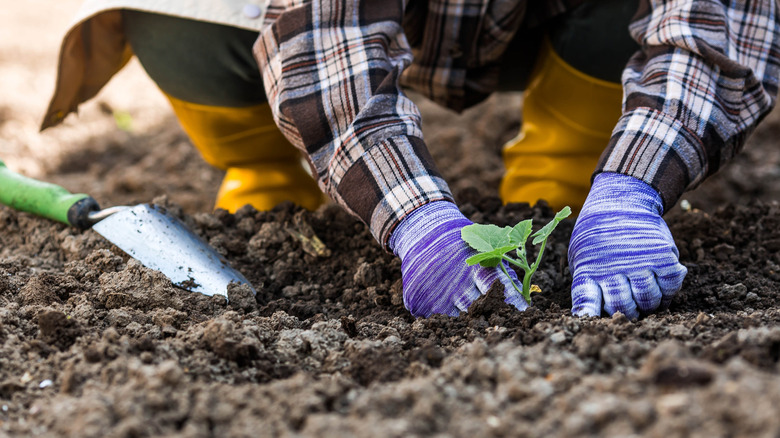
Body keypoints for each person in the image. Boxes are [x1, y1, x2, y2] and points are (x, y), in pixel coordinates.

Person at [43, 1, 780, 319]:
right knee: (179, 10)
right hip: (312, 20)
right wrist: (417, 220)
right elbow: (329, 42)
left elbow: (724, 27)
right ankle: (264, 168)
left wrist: (637, 184)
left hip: (542, 20)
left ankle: (568, 174)